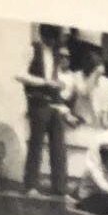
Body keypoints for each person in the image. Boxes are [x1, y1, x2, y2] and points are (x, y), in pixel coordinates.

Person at [18, 23, 69, 196]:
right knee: (36, 144)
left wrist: (60, 99)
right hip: (38, 102)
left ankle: (60, 188)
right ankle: (31, 185)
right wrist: (44, 83)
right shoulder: (33, 49)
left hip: (52, 103)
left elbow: (53, 78)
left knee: (59, 146)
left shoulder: (54, 55)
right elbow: (20, 75)